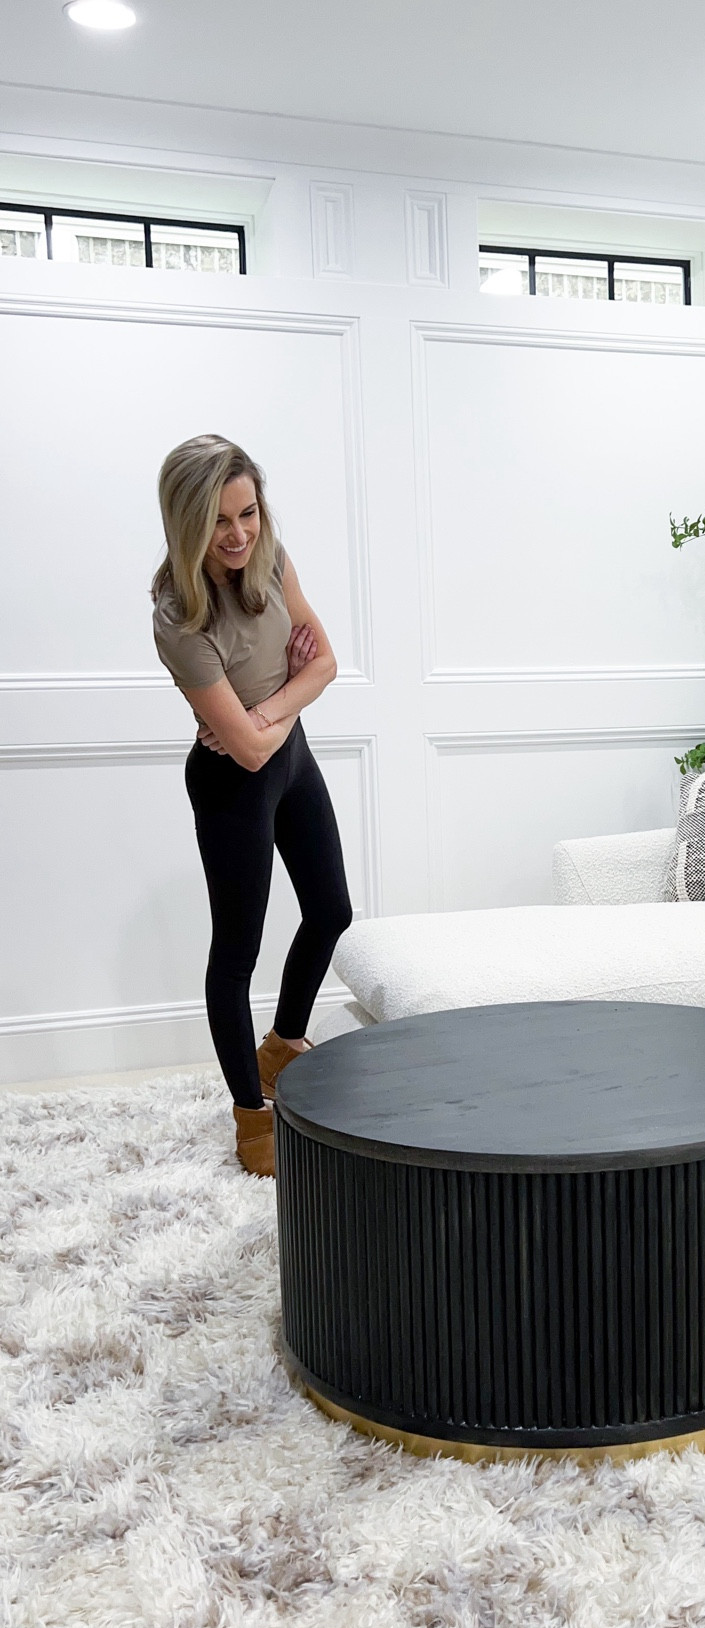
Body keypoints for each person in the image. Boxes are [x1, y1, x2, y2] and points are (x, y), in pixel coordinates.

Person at [151, 435, 352, 1177]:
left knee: (331, 911)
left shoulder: (270, 558)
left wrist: (263, 713)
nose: (240, 535)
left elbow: (326, 661)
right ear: (186, 524)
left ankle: (281, 1049)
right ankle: (250, 1114)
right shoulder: (178, 618)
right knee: (236, 953)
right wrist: (282, 707)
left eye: (249, 513)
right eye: (219, 522)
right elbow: (245, 753)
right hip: (230, 786)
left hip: (289, 760)